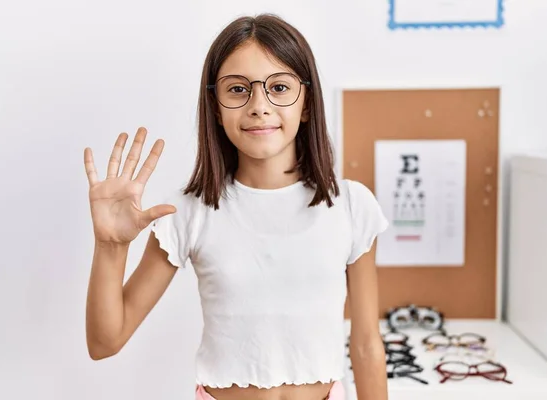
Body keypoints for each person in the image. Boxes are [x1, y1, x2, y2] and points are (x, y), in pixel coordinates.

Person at [84, 13, 389, 400]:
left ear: (307, 103)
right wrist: (110, 247)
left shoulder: (351, 207)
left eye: (279, 87)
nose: (259, 105)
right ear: (215, 106)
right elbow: (105, 342)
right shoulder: (188, 213)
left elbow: (366, 345)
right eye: (238, 90)